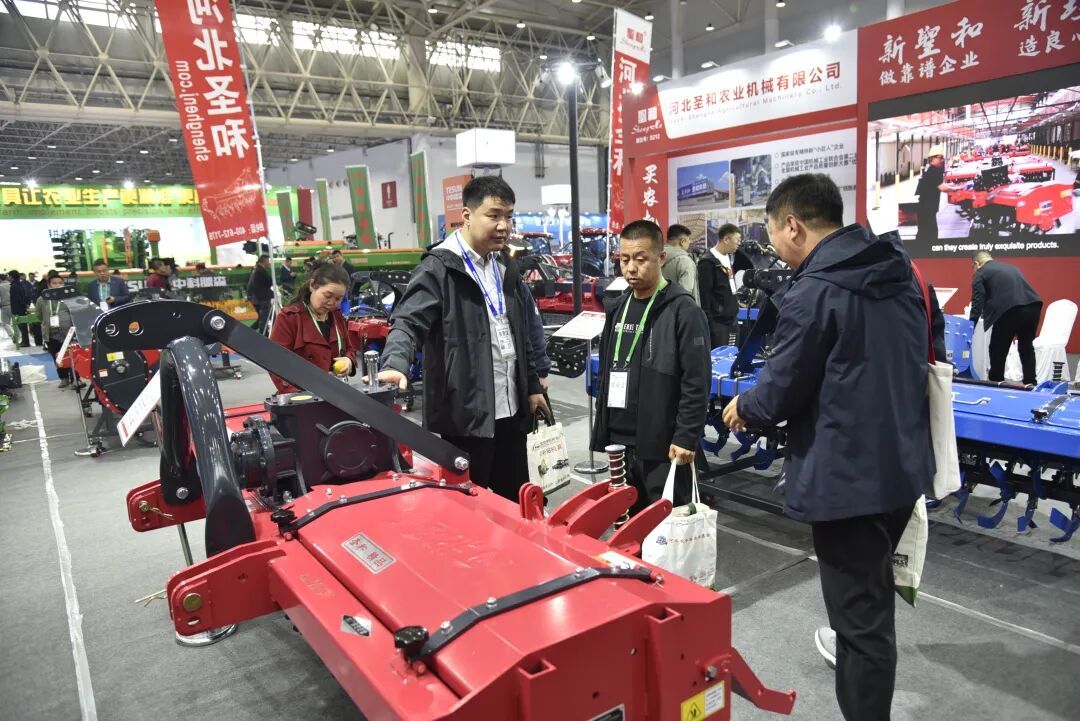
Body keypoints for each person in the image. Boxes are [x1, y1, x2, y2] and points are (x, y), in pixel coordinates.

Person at [721, 174, 931, 721]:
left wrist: (745, 405)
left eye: (772, 232)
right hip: (900, 466)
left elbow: (782, 389)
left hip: (847, 479)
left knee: (859, 626)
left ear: (793, 225)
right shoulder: (899, 271)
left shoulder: (815, 289)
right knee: (870, 611)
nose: (774, 246)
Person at [377, 176, 549, 500]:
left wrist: (532, 386)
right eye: (493, 215)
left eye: (509, 216)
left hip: (511, 410)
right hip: (466, 415)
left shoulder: (505, 267)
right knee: (472, 504)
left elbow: (519, 333)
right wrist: (395, 363)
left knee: (516, 502)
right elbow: (408, 321)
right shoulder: (438, 268)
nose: (503, 225)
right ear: (467, 216)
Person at [591, 220, 711, 514]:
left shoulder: (683, 310)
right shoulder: (618, 307)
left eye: (641, 259)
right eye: (624, 260)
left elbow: (696, 380)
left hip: (662, 444)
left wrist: (686, 436)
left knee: (667, 528)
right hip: (619, 442)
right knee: (626, 525)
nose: (631, 268)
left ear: (661, 258)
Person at [269, 262, 357, 393]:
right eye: (328, 296)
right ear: (313, 285)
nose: (332, 302)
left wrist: (349, 360)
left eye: (338, 299)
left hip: (336, 393)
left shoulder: (337, 316)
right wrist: (300, 394)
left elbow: (350, 349)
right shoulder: (290, 318)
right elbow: (276, 363)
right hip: (302, 396)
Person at [969, 251, 1042, 385]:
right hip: (1033, 306)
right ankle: (1030, 382)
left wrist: (970, 327)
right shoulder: (1011, 267)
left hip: (1010, 310)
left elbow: (977, 303)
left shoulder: (980, 273)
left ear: (976, 263)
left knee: (997, 348)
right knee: (1026, 346)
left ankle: (996, 382)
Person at [698, 223, 742, 348]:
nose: (739, 243)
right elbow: (704, 296)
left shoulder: (728, 258)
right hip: (717, 324)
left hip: (731, 319)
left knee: (733, 355)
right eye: (737, 240)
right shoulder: (707, 263)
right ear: (726, 239)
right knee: (719, 357)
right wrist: (709, 324)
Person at [36, 275, 75, 387]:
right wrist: (47, 323)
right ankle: (63, 378)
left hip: (68, 333)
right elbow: (39, 315)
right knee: (57, 357)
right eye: (54, 283)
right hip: (51, 334)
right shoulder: (42, 299)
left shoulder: (69, 298)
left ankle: (75, 379)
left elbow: (74, 314)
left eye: (60, 283)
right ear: (49, 285)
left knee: (72, 356)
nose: (57, 285)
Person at [914, 145, 947, 247]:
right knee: (929, 234)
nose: (942, 160)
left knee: (925, 233)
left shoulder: (930, 169)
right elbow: (942, 187)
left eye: (942, 158)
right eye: (940, 158)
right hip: (927, 209)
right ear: (933, 158)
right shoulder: (934, 171)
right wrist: (957, 189)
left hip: (926, 209)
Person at [661, 224, 699, 303]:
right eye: (688, 241)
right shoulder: (685, 261)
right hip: (681, 308)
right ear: (682, 241)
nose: (689, 244)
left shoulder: (656, 257)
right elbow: (685, 293)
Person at [9, 270, 42, 348]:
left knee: (22, 326)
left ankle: (25, 342)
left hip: (18, 308)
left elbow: (17, 298)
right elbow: (26, 295)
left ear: (12, 277)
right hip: (22, 307)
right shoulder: (21, 284)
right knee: (23, 326)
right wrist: (26, 304)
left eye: (9, 276)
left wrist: (23, 305)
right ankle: (25, 341)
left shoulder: (14, 286)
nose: (8, 277)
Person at [247, 254, 275, 334]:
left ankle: (249, 332)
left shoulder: (256, 270)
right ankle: (263, 335)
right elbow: (269, 281)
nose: (269, 263)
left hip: (257, 299)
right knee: (264, 319)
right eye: (268, 261)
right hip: (263, 299)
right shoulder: (261, 271)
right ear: (264, 261)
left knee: (261, 318)